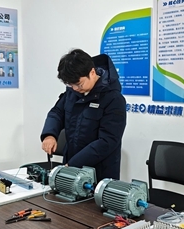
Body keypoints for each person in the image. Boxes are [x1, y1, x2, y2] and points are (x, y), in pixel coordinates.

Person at [41, 49, 126, 181]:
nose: (75, 88)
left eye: (79, 84)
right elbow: (57, 112)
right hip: (71, 164)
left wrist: (74, 164)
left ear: (92, 72)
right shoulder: (73, 92)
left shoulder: (113, 99)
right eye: (71, 85)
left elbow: (107, 141)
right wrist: (49, 135)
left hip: (99, 172)